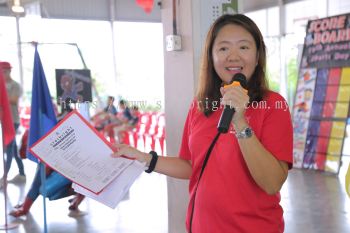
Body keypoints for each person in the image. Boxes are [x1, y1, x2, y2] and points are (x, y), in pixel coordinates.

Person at [111, 14, 293, 233]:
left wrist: (240, 121)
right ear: (211, 57)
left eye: (244, 47)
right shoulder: (200, 106)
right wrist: (143, 158)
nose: (233, 56)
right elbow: (191, 166)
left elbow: (272, 182)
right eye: (223, 48)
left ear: (257, 57)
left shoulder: (273, 105)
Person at [0, 61, 26, 188]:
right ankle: (22, 174)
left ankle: (4, 177)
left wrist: (3, 96)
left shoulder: (15, 85)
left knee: (9, 149)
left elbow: (14, 100)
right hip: (3, 121)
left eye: (3, 71)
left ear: (9, 71)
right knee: (14, 150)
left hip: (13, 121)